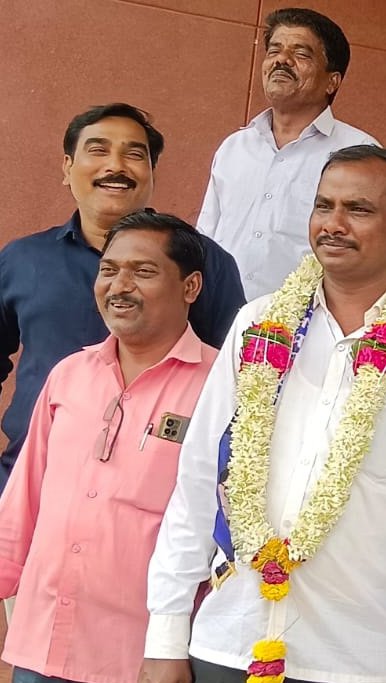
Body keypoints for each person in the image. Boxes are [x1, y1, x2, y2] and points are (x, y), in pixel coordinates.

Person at [140, 146, 386, 683]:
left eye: (358, 209)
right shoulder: (260, 323)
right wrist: (165, 636)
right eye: (324, 206)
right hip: (231, 640)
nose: (333, 224)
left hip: (360, 657)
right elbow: (199, 479)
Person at [0, 212, 219, 683]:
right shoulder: (69, 374)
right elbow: (24, 495)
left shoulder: (220, 387)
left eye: (143, 271)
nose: (120, 286)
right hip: (43, 640)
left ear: (190, 286)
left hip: (144, 652)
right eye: (109, 270)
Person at [0, 103, 243, 491]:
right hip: (25, 480)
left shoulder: (204, 262)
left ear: (151, 173)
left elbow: (233, 380)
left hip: (151, 495)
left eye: (134, 154)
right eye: (98, 150)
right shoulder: (22, 259)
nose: (116, 166)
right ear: (67, 168)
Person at [196, 7, 377, 299]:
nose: (282, 60)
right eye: (274, 50)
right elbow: (205, 238)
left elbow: (369, 252)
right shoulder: (234, 147)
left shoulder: (359, 153)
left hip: (306, 319)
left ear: (332, 81)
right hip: (219, 316)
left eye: (301, 53)